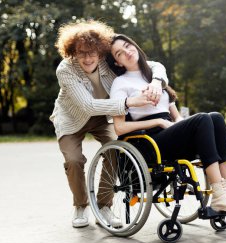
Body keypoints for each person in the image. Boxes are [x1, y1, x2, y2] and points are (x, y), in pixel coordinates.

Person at [108, 34, 226, 213]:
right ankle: (219, 194)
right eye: (119, 53)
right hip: (148, 140)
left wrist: (183, 124)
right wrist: (158, 121)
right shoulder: (120, 83)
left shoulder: (155, 75)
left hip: (170, 131)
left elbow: (177, 117)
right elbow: (119, 128)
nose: (127, 52)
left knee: (216, 118)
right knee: (202, 118)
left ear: (135, 45)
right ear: (118, 63)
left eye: (128, 46)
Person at [50, 21, 169, 228]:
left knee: (118, 150)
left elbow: (150, 64)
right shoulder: (65, 69)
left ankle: (104, 205)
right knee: (74, 160)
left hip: (102, 116)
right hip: (72, 118)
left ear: (99, 51)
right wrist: (129, 102)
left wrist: (157, 81)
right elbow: (87, 106)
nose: (87, 58)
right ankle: (80, 205)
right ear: (72, 53)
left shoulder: (108, 61)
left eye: (92, 53)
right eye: (81, 53)